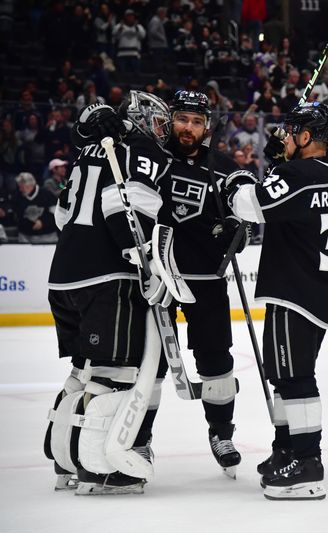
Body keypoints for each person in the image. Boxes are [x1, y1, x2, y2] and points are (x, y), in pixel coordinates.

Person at [45, 93, 172, 494]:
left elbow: (62, 215)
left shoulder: (89, 151)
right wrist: (144, 263)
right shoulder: (141, 149)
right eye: (158, 123)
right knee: (113, 372)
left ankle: (64, 456)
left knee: (83, 370)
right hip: (108, 278)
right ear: (140, 120)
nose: (161, 132)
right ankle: (98, 466)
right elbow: (125, 206)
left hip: (64, 275)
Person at [225, 102, 328, 500]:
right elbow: (291, 202)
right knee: (285, 375)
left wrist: (238, 179)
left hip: (295, 290)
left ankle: (308, 463)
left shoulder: (297, 174)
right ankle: (287, 449)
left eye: (292, 130)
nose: (284, 136)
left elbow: (251, 205)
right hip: (318, 290)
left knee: (295, 378)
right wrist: (280, 168)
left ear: (307, 137)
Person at [158, 90, 251, 477]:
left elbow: (244, 192)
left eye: (197, 122)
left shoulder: (223, 167)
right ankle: (141, 438)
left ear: (207, 127)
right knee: (152, 363)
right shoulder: (151, 158)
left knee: (216, 361)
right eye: (182, 119)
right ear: (170, 121)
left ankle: (221, 432)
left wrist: (238, 226)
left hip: (205, 280)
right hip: (156, 277)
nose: (188, 128)